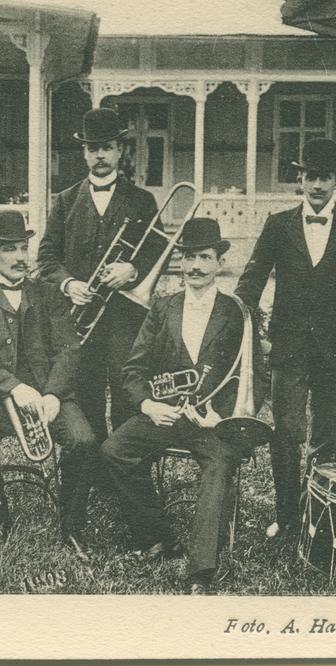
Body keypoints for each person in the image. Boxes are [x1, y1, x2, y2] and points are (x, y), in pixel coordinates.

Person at [234, 138, 336, 539]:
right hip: (288, 349)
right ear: (299, 179)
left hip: (335, 352)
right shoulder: (278, 225)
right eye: (310, 177)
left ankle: (315, 515)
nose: (317, 185)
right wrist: (239, 326)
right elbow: (252, 280)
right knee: (286, 435)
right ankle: (286, 517)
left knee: (325, 437)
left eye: (325, 177)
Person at [102, 218, 245, 594]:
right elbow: (132, 371)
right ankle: (158, 536)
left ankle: (201, 570)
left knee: (218, 467)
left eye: (204, 257)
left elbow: (252, 377)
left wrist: (223, 417)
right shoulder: (162, 307)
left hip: (211, 422)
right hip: (164, 414)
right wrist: (148, 404)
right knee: (113, 450)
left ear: (219, 263)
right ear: (180, 261)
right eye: (189, 257)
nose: (195, 266)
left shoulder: (236, 312)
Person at [0, 211, 97, 555]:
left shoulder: (49, 294)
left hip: (49, 392)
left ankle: (72, 527)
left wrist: (53, 393)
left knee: (84, 440)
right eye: (9, 249)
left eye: (23, 248)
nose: (20, 257)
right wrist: (14, 388)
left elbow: (69, 350)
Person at [37, 107, 162, 444]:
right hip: (80, 319)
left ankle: (123, 462)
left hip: (126, 316)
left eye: (107, 147)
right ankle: (91, 465)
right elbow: (46, 257)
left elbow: (158, 250)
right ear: (84, 153)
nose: (100, 155)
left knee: (127, 392)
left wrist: (132, 269)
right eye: (93, 149)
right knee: (84, 393)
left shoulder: (142, 200)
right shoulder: (65, 201)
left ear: (120, 150)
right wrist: (69, 283)